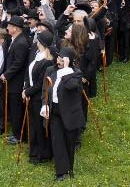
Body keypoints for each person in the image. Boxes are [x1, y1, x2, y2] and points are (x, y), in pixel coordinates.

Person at [41, 47, 85, 181]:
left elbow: (71, 85)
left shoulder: (76, 74)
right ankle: (62, 172)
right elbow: (45, 90)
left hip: (70, 113)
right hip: (54, 111)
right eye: (58, 58)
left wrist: (66, 68)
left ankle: (69, 167)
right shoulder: (50, 70)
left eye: (62, 59)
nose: (58, 60)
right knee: (57, 140)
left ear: (69, 61)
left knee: (69, 142)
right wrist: (45, 105)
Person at [22, 29, 55, 164]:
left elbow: (40, 84)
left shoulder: (47, 61)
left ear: (41, 43)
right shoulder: (38, 55)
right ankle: (34, 151)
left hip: (38, 98)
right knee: (33, 125)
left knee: (39, 127)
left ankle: (42, 154)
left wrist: (27, 92)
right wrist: (25, 88)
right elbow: (29, 74)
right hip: (31, 95)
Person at [0, 15, 30, 144]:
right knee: (14, 108)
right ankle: (17, 133)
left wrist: (6, 74)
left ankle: (18, 136)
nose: (7, 28)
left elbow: (18, 63)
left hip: (16, 83)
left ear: (15, 28)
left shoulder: (21, 43)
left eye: (9, 26)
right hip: (13, 81)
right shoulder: (15, 39)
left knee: (17, 109)